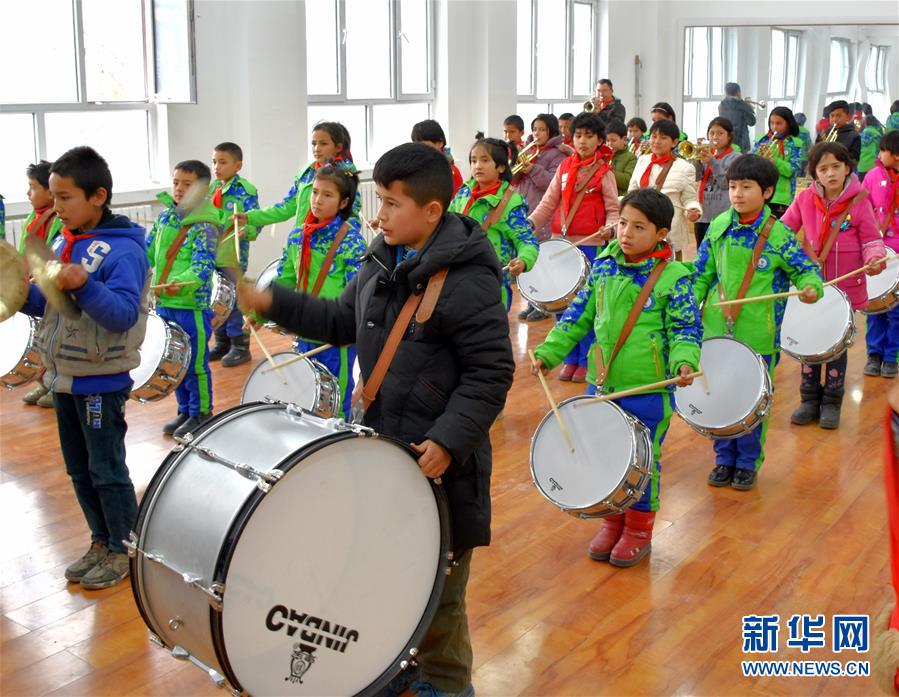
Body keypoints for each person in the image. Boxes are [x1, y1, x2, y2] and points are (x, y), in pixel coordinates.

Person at [236, 142, 515, 697]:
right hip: (381, 451)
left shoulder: (469, 280)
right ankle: (398, 663)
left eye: (391, 203)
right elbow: (343, 319)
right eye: (379, 200)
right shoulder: (382, 256)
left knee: (438, 593)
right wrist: (273, 303)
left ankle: (448, 685)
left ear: (431, 211)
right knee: (385, 575)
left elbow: (491, 372)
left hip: (439, 467)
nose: (379, 214)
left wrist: (448, 439)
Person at [532, 188, 702, 567]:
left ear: (661, 233)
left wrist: (684, 361)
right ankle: (612, 522)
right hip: (602, 384)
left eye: (639, 227)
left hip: (648, 389)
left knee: (642, 462)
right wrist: (549, 352)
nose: (626, 232)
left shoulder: (674, 277)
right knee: (605, 456)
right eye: (623, 223)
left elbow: (685, 328)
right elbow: (577, 315)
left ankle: (639, 530)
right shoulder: (605, 265)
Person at [20, 146, 149, 589]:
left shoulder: (124, 252)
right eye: (53, 196)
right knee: (78, 469)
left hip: (101, 380)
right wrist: (17, 293)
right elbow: (52, 305)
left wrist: (85, 284)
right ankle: (101, 540)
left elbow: (122, 315)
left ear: (98, 196)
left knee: (106, 470)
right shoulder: (63, 241)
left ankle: (124, 549)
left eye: (65, 197)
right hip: (64, 377)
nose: (56, 207)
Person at [693, 154, 824, 490]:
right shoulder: (718, 227)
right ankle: (724, 457)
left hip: (759, 335)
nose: (737, 194)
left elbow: (805, 269)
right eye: (733, 186)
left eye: (746, 187)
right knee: (720, 395)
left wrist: (812, 286)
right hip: (716, 330)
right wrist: (689, 306)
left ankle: (747, 462)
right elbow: (701, 273)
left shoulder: (779, 235)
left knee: (753, 400)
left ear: (767, 192)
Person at [781, 142, 887, 428]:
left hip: (846, 288)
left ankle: (832, 401)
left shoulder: (860, 201)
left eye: (836, 167)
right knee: (810, 341)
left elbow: (871, 239)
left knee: (837, 346)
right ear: (814, 173)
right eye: (823, 168)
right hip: (811, 287)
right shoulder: (804, 199)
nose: (830, 173)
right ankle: (808, 398)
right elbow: (783, 232)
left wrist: (874, 257)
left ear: (847, 168)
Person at [528, 112, 620, 382]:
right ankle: (569, 357)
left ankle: (584, 360)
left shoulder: (605, 172)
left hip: (590, 245)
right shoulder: (565, 167)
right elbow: (548, 202)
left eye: (589, 136)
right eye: (578, 135)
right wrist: (530, 223)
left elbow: (614, 209)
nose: (582, 141)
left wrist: (611, 228)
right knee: (561, 305)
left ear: (599, 140)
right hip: (561, 243)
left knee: (585, 306)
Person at [270, 165, 367, 419]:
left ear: (343, 202)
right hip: (305, 329)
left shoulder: (351, 242)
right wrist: (263, 310)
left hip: (336, 336)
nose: (317, 200)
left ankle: (341, 437)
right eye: (314, 192)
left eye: (327, 195)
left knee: (337, 396)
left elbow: (357, 294)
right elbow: (284, 279)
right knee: (307, 393)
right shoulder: (297, 236)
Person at [147, 161, 219, 438]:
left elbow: (203, 266)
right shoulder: (165, 218)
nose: (178, 188)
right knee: (176, 362)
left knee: (195, 363)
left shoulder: (206, 225)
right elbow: (148, 252)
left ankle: (201, 413)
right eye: (176, 182)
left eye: (187, 185)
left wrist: (180, 282)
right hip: (164, 303)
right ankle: (185, 410)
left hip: (191, 306)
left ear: (204, 190)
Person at [449, 134, 538, 311]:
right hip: (457, 279)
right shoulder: (463, 193)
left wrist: (523, 260)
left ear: (501, 167)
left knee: (489, 326)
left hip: (491, 283)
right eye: (473, 161)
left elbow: (527, 241)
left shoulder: (511, 203)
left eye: (485, 160)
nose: (477, 166)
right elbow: (445, 225)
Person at [240, 121, 358, 241]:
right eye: (314, 143)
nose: (317, 149)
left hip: (329, 242)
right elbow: (286, 207)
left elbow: (352, 215)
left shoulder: (344, 176)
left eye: (323, 144)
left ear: (338, 147)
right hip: (304, 239)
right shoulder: (306, 174)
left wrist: (339, 243)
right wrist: (250, 217)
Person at [512, 113, 572, 322]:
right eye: (535, 129)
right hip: (525, 208)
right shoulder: (529, 150)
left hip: (544, 213)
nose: (537, 134)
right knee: (528, 259)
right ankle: (532, 302)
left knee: (543, 262)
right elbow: (514, 179)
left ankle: (544, 305)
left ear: (551, 131)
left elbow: (552, 183)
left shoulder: (558, 154)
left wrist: (533, 169)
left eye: (542, 130)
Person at [209, 141, 262, 366]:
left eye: (222, 162)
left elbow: (256, 221)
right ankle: (222, 342)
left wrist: (245, 231)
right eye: (214, 162)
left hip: (232, 256)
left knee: (234, 300)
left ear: (237, 165)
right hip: (211, 254)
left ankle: (240, 344)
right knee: (216, 299)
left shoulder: (245, 191)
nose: (217, 167)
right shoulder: (212, 189)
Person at [20, 160, 66, 408]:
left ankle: (56, 385)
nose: (28, 193)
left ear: (50, 192)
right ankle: (45, 381)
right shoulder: (33, 218)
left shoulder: (59, 220)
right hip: (32, 285)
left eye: (33, 187)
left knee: (54, 341)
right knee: (39, 341)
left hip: (50, 290)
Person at [628, 119, 702, 260]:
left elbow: (689, 199)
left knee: (671, 270)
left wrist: (693, 211)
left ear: (674, 142)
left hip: (670, 231)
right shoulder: (642, 160)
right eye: (654, 136)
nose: (657, 141)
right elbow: (632, 191)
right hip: (641, 226)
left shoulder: (685, 167)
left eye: (663, 138)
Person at [863, 130, 899, 379]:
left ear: (896, 155)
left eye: (883, 150)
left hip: (897, 254)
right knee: (874, 305)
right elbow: (863, 208)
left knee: (896, 310)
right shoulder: (873, 176)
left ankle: (891, 356)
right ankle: (873, 354)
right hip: (876, 250)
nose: (879, 154)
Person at [693, 117, 740, 247]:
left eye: (720, 133)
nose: (715, 137)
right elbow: (696, 177)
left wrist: (712, 162)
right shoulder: (707, 154)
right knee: (701, 251)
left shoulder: (736, 158)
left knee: (719, 251)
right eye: (712, 133)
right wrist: (696, 159)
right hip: (702, 214)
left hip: (722, 214)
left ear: (729, 136)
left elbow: (725, 183)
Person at [753, 106, 804, 218]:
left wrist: (774, 161)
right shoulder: (761, 140)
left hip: (782, 197)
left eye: (779, 123)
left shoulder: (795, 144)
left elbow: (792, 171)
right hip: (760, 192)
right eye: (772, 123)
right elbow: (752, 167)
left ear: (789, 124)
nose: (774, 127)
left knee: (777, 225)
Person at [411, 119, 465, 194]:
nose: (419, 149)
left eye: (423, 145)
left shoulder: (451, 172)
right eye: (416, 145)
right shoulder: (416, 167)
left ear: (440, 143)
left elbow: (457, 200)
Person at [717, 82, 757, 153]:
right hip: (742, 143)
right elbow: (752, 122)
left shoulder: (721, 105)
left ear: (726, 92)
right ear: (738, 92)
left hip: (727, 141)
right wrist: (749, 107)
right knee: (741, 160)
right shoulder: (743, 105)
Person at [605, 119, 637, 196]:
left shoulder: (631, 157)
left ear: (624, 139)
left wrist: (607, 169)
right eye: (607, 140)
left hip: (620, 197)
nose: (609, 144)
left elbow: (627, 181)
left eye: (613, 140)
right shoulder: (604, 155)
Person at [859, 105, 886, 177]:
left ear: (865, 123)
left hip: (861, 167)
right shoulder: (877, 135)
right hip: (874, 166)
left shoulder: (860, 136)